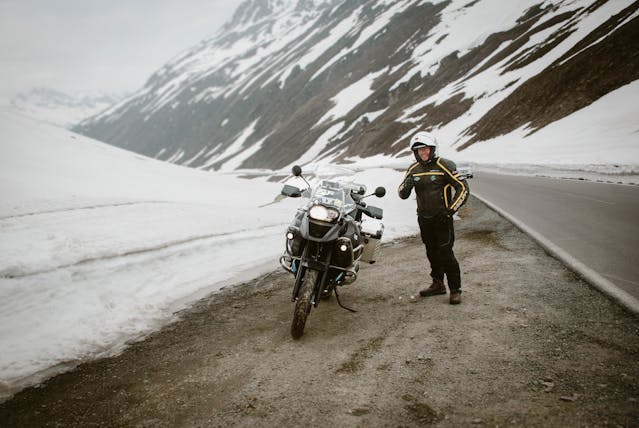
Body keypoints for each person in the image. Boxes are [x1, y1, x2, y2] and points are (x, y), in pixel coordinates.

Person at [398, 131, 469, 304]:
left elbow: (463, 188)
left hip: (442, 219)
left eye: (425, 149)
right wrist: (407, 185)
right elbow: (401, 193)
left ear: (433, 149)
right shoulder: (413, 169)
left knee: (446, 252)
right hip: (424, 219)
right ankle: (438, 284)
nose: (423, 153)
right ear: (415, 152)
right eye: (419, 150)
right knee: (431, 252)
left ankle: (455, 290)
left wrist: (450, 210)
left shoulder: (445, 165)